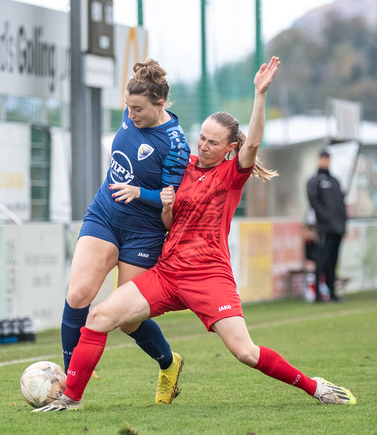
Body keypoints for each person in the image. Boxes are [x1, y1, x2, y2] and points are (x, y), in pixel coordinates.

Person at [35, 57, 357, 412]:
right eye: (201, 137)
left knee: (245, 352)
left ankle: (316, 387)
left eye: (212, 142)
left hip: (208, 276)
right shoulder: (182, 165)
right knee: (100, 318)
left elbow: (253, 144)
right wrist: (166, 206)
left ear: (229, 149)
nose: (202, 146)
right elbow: (169, 219)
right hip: (168, 271)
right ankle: (71, 399)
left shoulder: (233, 174)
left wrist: (260, 95)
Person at [61, 59, 191, 404]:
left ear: (159, 105)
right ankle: (68, 379)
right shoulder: (130, 111)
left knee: (127, 322)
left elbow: (170, 200)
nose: (130, 115)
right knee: (78, 295)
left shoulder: (176, 145)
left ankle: (169, 363)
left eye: (138, 109)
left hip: (143, 234)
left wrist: (140, 193)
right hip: (104, 214)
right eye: (127, 106)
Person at [306, 149, 348, 302]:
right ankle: (317, 294)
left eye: (328, 159)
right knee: (322, 260)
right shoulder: (315, 181)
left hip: (338, 227)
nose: (326, 161)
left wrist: (343, 223)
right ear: (319, 160)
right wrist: (326, 218)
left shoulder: (335, 181)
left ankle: (332, 293)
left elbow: (341, 204)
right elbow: (314, 202)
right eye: (323, 158)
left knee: (333, 261)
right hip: (325, 228)